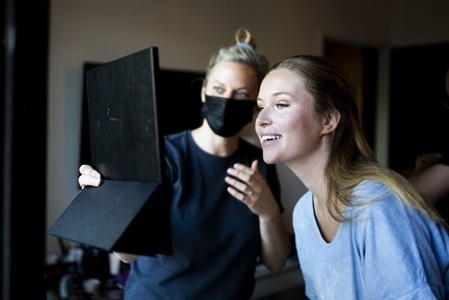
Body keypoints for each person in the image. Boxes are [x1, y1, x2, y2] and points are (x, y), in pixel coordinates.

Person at [78, 28, 292, 300]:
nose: (226, 100)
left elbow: (276, 263)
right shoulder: (164, 157)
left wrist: (269, 212)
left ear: (255, 106)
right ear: (204, 92)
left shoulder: (259, 164)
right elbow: (127, 254)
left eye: (241, 94)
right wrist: (107, 202)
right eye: (218, 89)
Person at [255, 54, 449, 299]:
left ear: (328, 120)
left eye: (281, 104)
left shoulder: (377, 207)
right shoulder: (304, 213)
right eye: (261, 107)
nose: (261, 119)